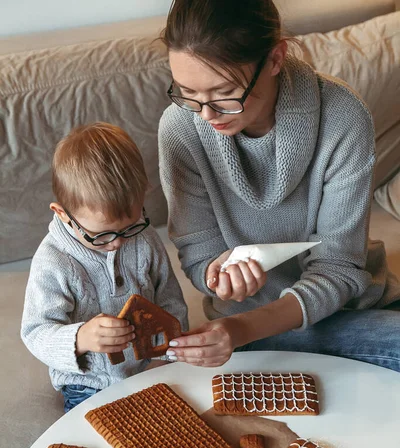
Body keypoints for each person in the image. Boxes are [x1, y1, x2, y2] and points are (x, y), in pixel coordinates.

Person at [158, 0, 400, 371]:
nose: (205, 114)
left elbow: (338, 267)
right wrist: (217, 277)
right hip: (246, 333)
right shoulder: (180, 128)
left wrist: (242, 328)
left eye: (224, 92)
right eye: (187, 91)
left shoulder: (342, 117)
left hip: (347, 312)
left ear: (274, 59)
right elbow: (197, 252)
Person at [21, 122, 188, 411]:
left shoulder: (145, 239)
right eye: (102, 235)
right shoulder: (54, 262)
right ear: (63, 215)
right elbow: (36, 332)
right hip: (88, 384)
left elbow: (170, 302)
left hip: (151, 368)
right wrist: (80, 337)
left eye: (129, 227)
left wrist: (167, 357)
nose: (117, 243)